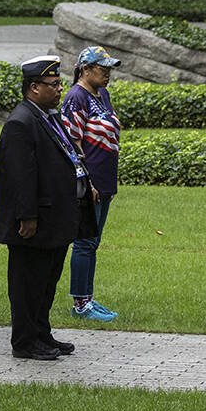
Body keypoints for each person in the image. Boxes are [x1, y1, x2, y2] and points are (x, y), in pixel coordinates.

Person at [0, 55, 96, 361]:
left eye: (59, 83)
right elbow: (20, 177)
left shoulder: (48, 116)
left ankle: (41, 332)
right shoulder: (20, 123)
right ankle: (24, 341)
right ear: (34, 88)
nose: (60, 89)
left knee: (47, 281)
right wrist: (28, 216)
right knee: (28, 283)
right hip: (35, 220)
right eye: (53, 84)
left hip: (56, 217)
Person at [62, 46, 122, 322]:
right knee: (84, 242)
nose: (107, 74)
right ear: (85, 70)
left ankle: (89, 298)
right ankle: (80, 304)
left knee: (93, 242)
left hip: (105, 179)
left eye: (109, 69)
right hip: (90, 182)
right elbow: (70, 142)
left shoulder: (103, 94)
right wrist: (86, 180)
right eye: (102, 68)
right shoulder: (76, 97)